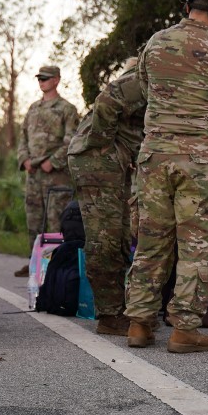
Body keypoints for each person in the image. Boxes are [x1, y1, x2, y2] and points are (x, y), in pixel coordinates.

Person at [123, 0, 208, 354]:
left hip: (155, 158)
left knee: (151, 242)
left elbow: (145, 90)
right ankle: (184, 329)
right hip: (203, 162)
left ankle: (140, 325)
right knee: (197, 246)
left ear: (187, 2)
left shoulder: (156, 44)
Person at [66, 57, 145, 336]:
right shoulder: (142, 77)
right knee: (105, 237)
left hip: (111, 160)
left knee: (120, 235)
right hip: (97, 160)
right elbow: (107, 101)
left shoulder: (150, 78)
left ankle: (115, 309)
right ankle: (109, 314)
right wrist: (103, 146)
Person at [15, 65, 79, 276]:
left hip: (56, 175)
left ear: (56, 80)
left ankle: (54, 265)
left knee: (55, 221)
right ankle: (34, 263)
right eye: (39, 78)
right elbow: (23, 137)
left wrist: (54, 161)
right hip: (33, 174)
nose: (41, 81)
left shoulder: (67, 109)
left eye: (45, 78)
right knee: (33, 219)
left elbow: (72, 139)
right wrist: (24, 159)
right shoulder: (33, 108)